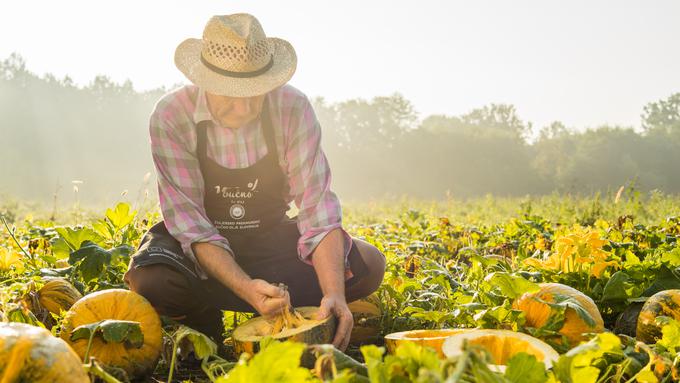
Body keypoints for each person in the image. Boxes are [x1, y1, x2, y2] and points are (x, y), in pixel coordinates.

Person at [123, 13, 386, 351]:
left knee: (366, 265)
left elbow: (318, 211)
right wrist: (247, 287)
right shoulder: (171, 115)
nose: (244, 107)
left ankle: (305, 310)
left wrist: (334, 292)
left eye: (254, 92)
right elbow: (192, 226)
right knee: (154, 282)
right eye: (230, 94)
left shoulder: (292, 107)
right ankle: (203, 319)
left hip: (269, 241)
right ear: (203, 81)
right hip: (202, 253)